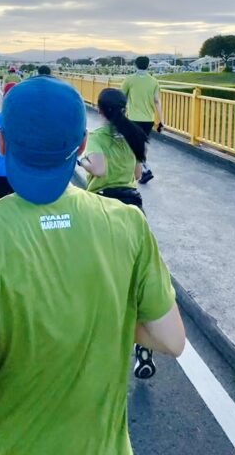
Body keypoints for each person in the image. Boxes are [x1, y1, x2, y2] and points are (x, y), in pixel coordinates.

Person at [0, 76, 186, 454]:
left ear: (3, 143)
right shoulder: (128, 223)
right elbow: (172, 340)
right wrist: (99, 322)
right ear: (81, 145)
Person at [77, 88, 159, 379]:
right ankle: (143, 342)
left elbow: (98, 170)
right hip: (133, 207)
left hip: (103, 206)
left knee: (99, 275)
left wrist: (81, 162)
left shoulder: (98, 136)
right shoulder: (133, 134)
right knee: (135, 277)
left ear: (99, 110)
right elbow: (137, 175)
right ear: (124, 108)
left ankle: (96, 338)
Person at [120, 56, 165, 184]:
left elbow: (121, 98)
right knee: (142, 144)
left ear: (135, 65)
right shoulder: (153, 81)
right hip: (148, 120)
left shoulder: (129, 80)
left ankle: (144, 170)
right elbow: (157, 101)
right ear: (148, 65)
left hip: (133, 119)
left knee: (132, 145)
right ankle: (142, 170)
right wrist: (162, 121)